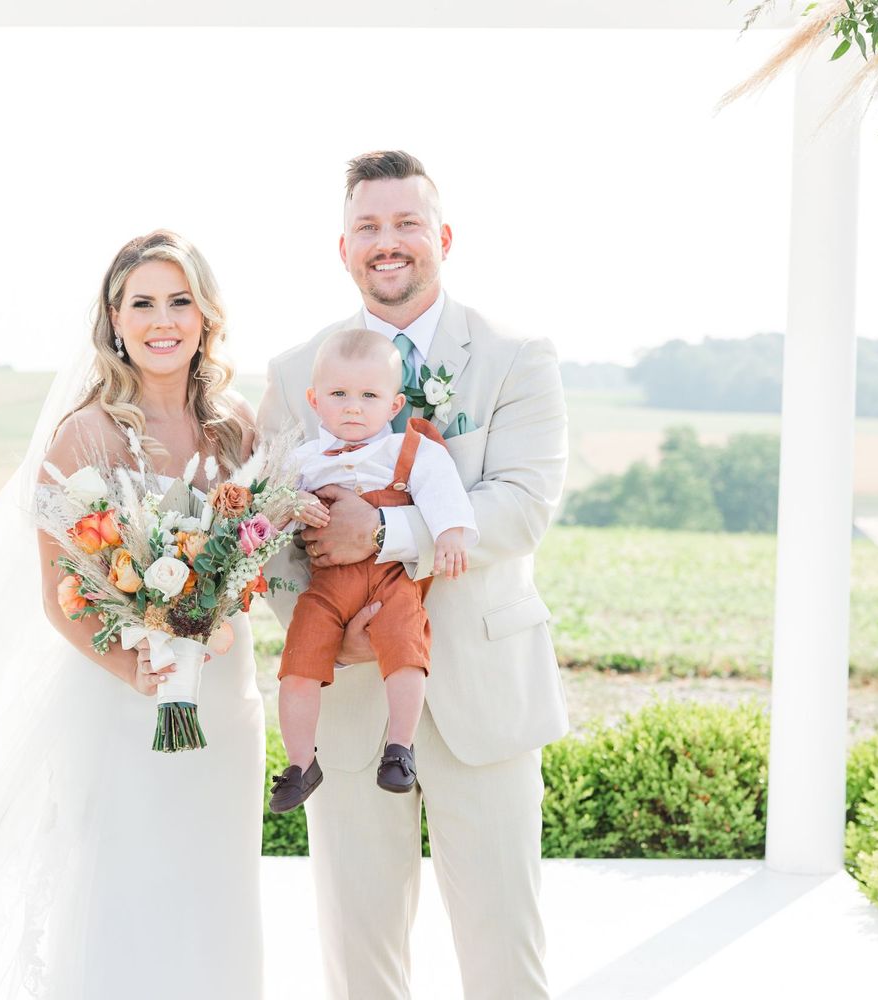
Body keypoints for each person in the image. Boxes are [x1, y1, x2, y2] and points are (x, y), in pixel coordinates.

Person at [258, 151, 570, 1000]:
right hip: (352, 695)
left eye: (406, 223)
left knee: (505, 949)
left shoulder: (517, 356)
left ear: (444, 237)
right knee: (360, 954)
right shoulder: (293, 374)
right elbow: (269, 531)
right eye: (368, 226)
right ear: (344, 248)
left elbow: (522, 505)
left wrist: (386, 530)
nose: (386, 241)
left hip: (483, 690)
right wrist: (330, 635)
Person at [34, 230, 265, 999]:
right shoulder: (84, 433)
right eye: (143, 304)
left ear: (205, 317)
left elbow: (261, 555)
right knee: (132, 891)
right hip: (128, 699)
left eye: (179, 301)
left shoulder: (236, 426)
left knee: (219, 889)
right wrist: (130, 669)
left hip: (226, 695)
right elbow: (58, 593)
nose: (162, 320)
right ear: (115, 318)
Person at [269, 328, 476, 814]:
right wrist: (292, 503)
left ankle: (399, 748)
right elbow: (267, 515)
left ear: (394, 404)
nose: (353, 408)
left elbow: (443, 491)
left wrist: (450, 532)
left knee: (405, 648)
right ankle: (300, 763)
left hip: (392, 576)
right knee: (299, 662)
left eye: (369, 396)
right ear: (315, 400)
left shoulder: (410, 450)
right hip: (329, 583)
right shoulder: (301, 460)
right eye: (339, 395)